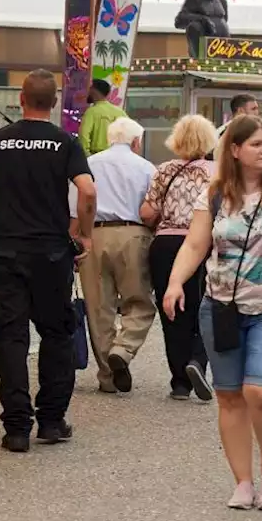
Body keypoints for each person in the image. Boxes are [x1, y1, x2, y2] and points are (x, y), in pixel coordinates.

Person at [162, 114, 262, 511]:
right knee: (230, 397)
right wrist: (176, 282)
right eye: (256, 144)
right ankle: (243, 482)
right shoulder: (214, 195)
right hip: (221, 308)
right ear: (234, 150)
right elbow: (195, 245)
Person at [0, 69, 94, 452]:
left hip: (6, 251)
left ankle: (17, 428)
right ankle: (52, 422)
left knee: (10, 336)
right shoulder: (64, 143)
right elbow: (87, 191)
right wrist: (83, 233)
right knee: (57, 333)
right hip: (52, 253)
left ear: (21, 99)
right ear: (54, 103)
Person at [75, 117, 158, 395]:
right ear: (136, 141)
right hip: (134, 235)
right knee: (140, 302)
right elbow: (153, 209)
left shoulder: (89, 165)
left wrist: (76, 240)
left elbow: (76, 207)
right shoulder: (147, 168)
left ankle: (108, 376)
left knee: (99, 308)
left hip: (93, 234)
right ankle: (123, 350)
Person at [141, 114, 218, 401]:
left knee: (171, 310)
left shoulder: (163, 170)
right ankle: (198, 360)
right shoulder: (218, 172)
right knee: (205, 305)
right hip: (203, 243)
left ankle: (179, 383)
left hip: (165, 244)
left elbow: (146, 213)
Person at [78, 79, 127, 156]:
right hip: (118, 156)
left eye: (90, 88)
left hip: (97, 156)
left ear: (94, 91)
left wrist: (87, 156)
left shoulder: (91, 112)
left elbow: (83, 136)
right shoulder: (120, 112)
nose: (87, 92)